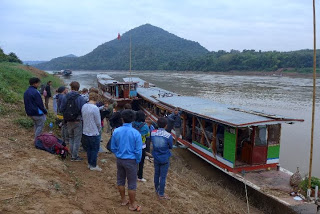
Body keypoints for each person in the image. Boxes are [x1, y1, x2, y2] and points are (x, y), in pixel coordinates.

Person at [111, 110, 143, 212]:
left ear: (122, 119)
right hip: (131, 160)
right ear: (133, 119)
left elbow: (113, 147)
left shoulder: (116, 131)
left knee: (120, 180)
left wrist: (118, 154)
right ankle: (133, 204)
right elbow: (138, 150)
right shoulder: (136, 133)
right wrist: (137, 160)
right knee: (132, 183)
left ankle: (123, 200)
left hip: (120, 159)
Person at [60, 81, 86, 161]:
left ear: (71, 87)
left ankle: (72, 154)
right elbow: (83, 110)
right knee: (77, 139)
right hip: (77, 120)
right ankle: (75, 156)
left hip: (68, 121)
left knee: (71, 138)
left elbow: (61, 109)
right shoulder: (81, 98)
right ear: (78, 88)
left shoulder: (65, 97)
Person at [151, 117, 173, 200]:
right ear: (166, 125)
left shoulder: (153, 133)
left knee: (156, 174)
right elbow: (170, 146)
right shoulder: (168, 135)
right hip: (164, 157)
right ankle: (161, 194)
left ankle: (157, 190)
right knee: (163, 177)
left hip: (156, 156)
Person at [82, 92, 102, 171]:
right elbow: (98, 122)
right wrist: (99, 128)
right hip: (93, 131)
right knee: (95, 149)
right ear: (96, 99)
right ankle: (93, 165)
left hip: (85, 130)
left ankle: (89, 163)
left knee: (89, 149)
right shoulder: (95, 108)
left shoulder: (84, 106)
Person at [133, 111, 150, 182]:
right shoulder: (145, 126)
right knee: (141, 162)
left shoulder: (132, 124)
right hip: (141, 146)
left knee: (132, 161)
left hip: (132, 145)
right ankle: (139, 177)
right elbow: (148, 136)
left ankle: (131, 175)